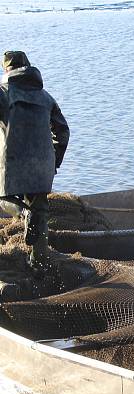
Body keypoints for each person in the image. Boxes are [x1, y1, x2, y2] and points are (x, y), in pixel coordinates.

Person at [0, 50, 69, 268]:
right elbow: (63, 132)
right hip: (43, 166)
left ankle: (21, 212)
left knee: (5, 199)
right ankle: (40, 265)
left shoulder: (3, 92)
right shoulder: (46, 97)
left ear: (7, 69)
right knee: (40, 211)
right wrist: (54, 162)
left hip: (12, 162)